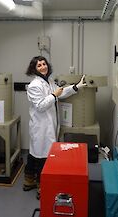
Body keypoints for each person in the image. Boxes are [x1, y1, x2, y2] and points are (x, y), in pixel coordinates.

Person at [23, 55, 86, 199]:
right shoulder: (34, 85)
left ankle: (28, 181)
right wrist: (53, 95)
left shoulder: (49, 81)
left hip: (48, 125)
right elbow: (40, 106)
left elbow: (61, 93)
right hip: (40, 127)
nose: (43, 67)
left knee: (35, 154)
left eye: (44, 64)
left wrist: (76, 87)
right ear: (34, 69)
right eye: (39, 65)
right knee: (41, 158)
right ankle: (41, 187)